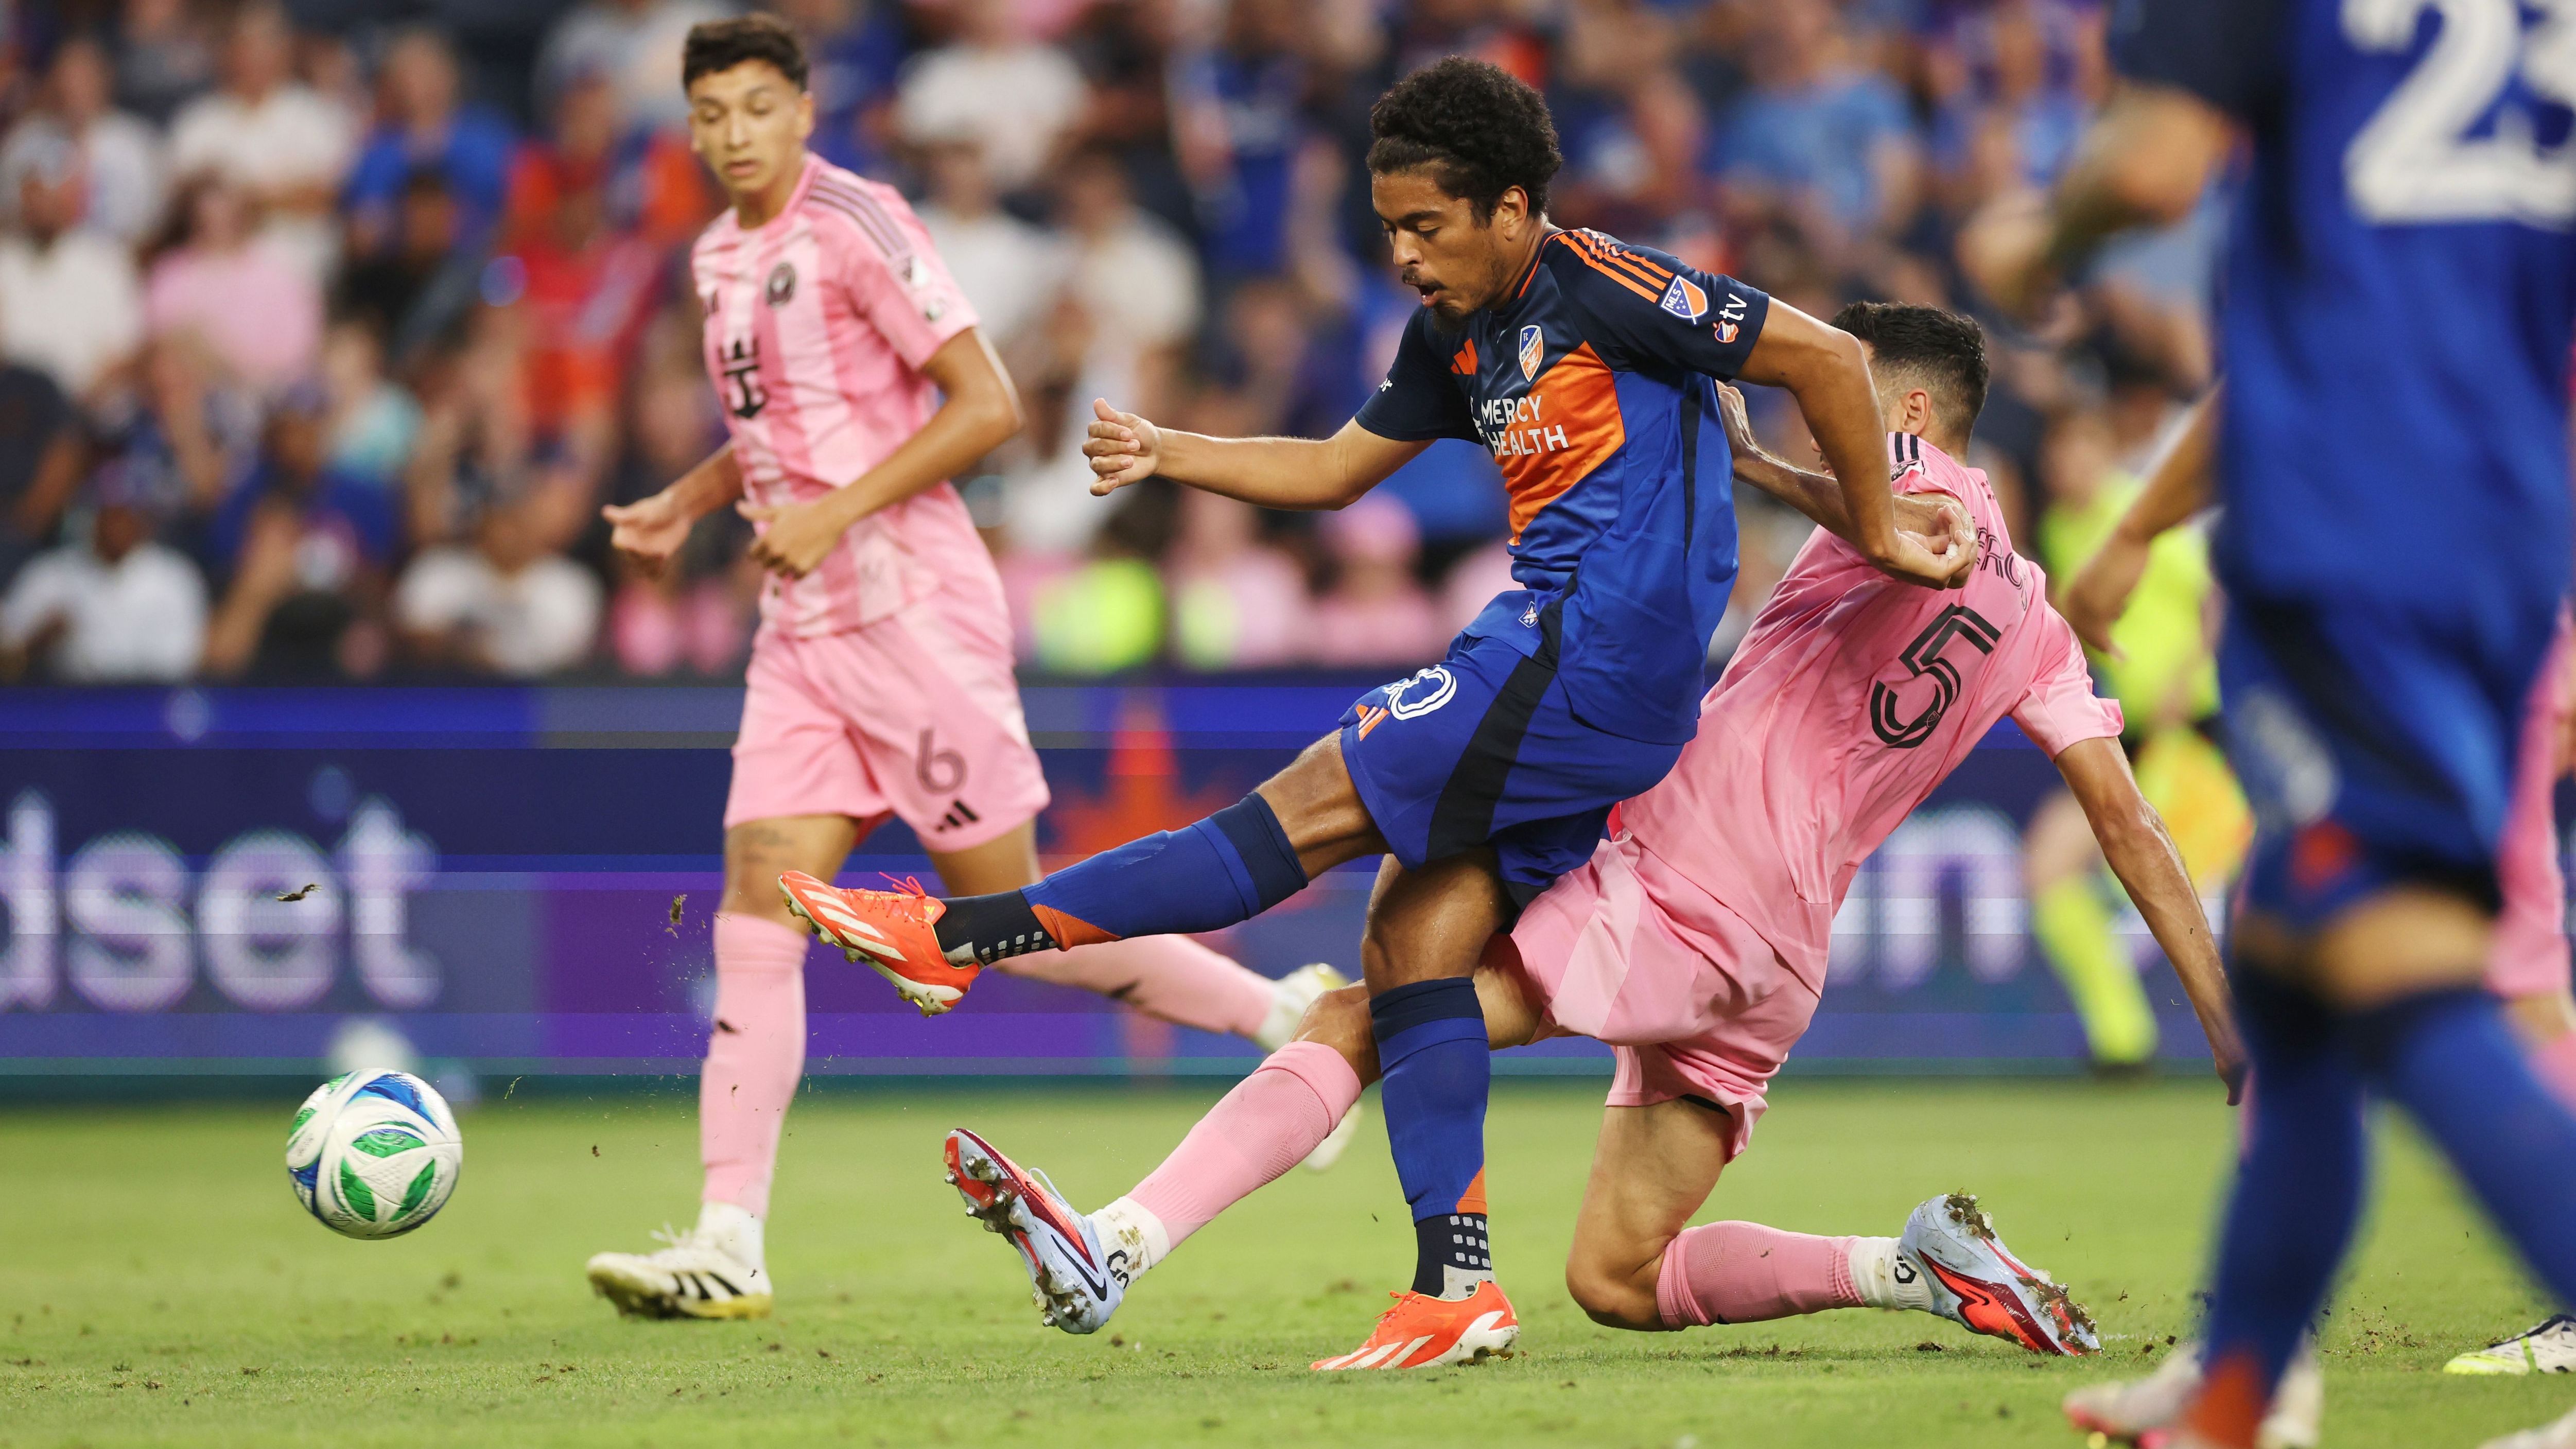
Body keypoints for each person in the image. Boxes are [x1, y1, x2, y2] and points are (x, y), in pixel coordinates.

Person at [782, 57, 1975, 1367]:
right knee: (1414, 936)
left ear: (1513, 210)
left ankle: (957, 937)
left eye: (1429, 225)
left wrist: (1874, 524)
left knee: (1295, 814)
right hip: (1573, 675)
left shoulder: (1612, 286)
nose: (1405, 254)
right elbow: (1343, 468)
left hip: (1576, 657)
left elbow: (1829, 354)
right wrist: (1175, 450)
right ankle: (1455, 1283)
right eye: (1391, 228)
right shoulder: (1453, 336)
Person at [934, 303, 2244, 1370]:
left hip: (1683, 881)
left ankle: (1114, 1243)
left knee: (1379, 1004)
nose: (1821, 425)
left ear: (1903, 414)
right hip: (1781, 957)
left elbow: (1900, 525)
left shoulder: (1906, 486)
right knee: (1619, 1276)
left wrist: (1750, 455)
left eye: (1843, 403)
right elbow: (2132, 830)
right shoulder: (2046, 627)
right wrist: (2234, 1044)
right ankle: (1914, 1267)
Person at [581, 15, 1344, 1323]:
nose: (733, 135)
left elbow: (985, 402)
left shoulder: (858, 222)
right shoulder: (715, 257)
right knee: (759, 897)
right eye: (711, 114)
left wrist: (831, 515)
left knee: (1008, 927)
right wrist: (688, 500)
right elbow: (788, 442)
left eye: (758, 107)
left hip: (916, 618)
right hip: (805, 635)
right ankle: (728, 1238)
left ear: (804, 111)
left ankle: (1283, 1016)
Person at [1958, 3, 2576, 1446]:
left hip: (2351, 520)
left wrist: (2038, 245)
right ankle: (2241, 1381)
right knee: (2288, 954)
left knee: (2379, 944)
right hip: (2504, 526)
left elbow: (2156, 164)